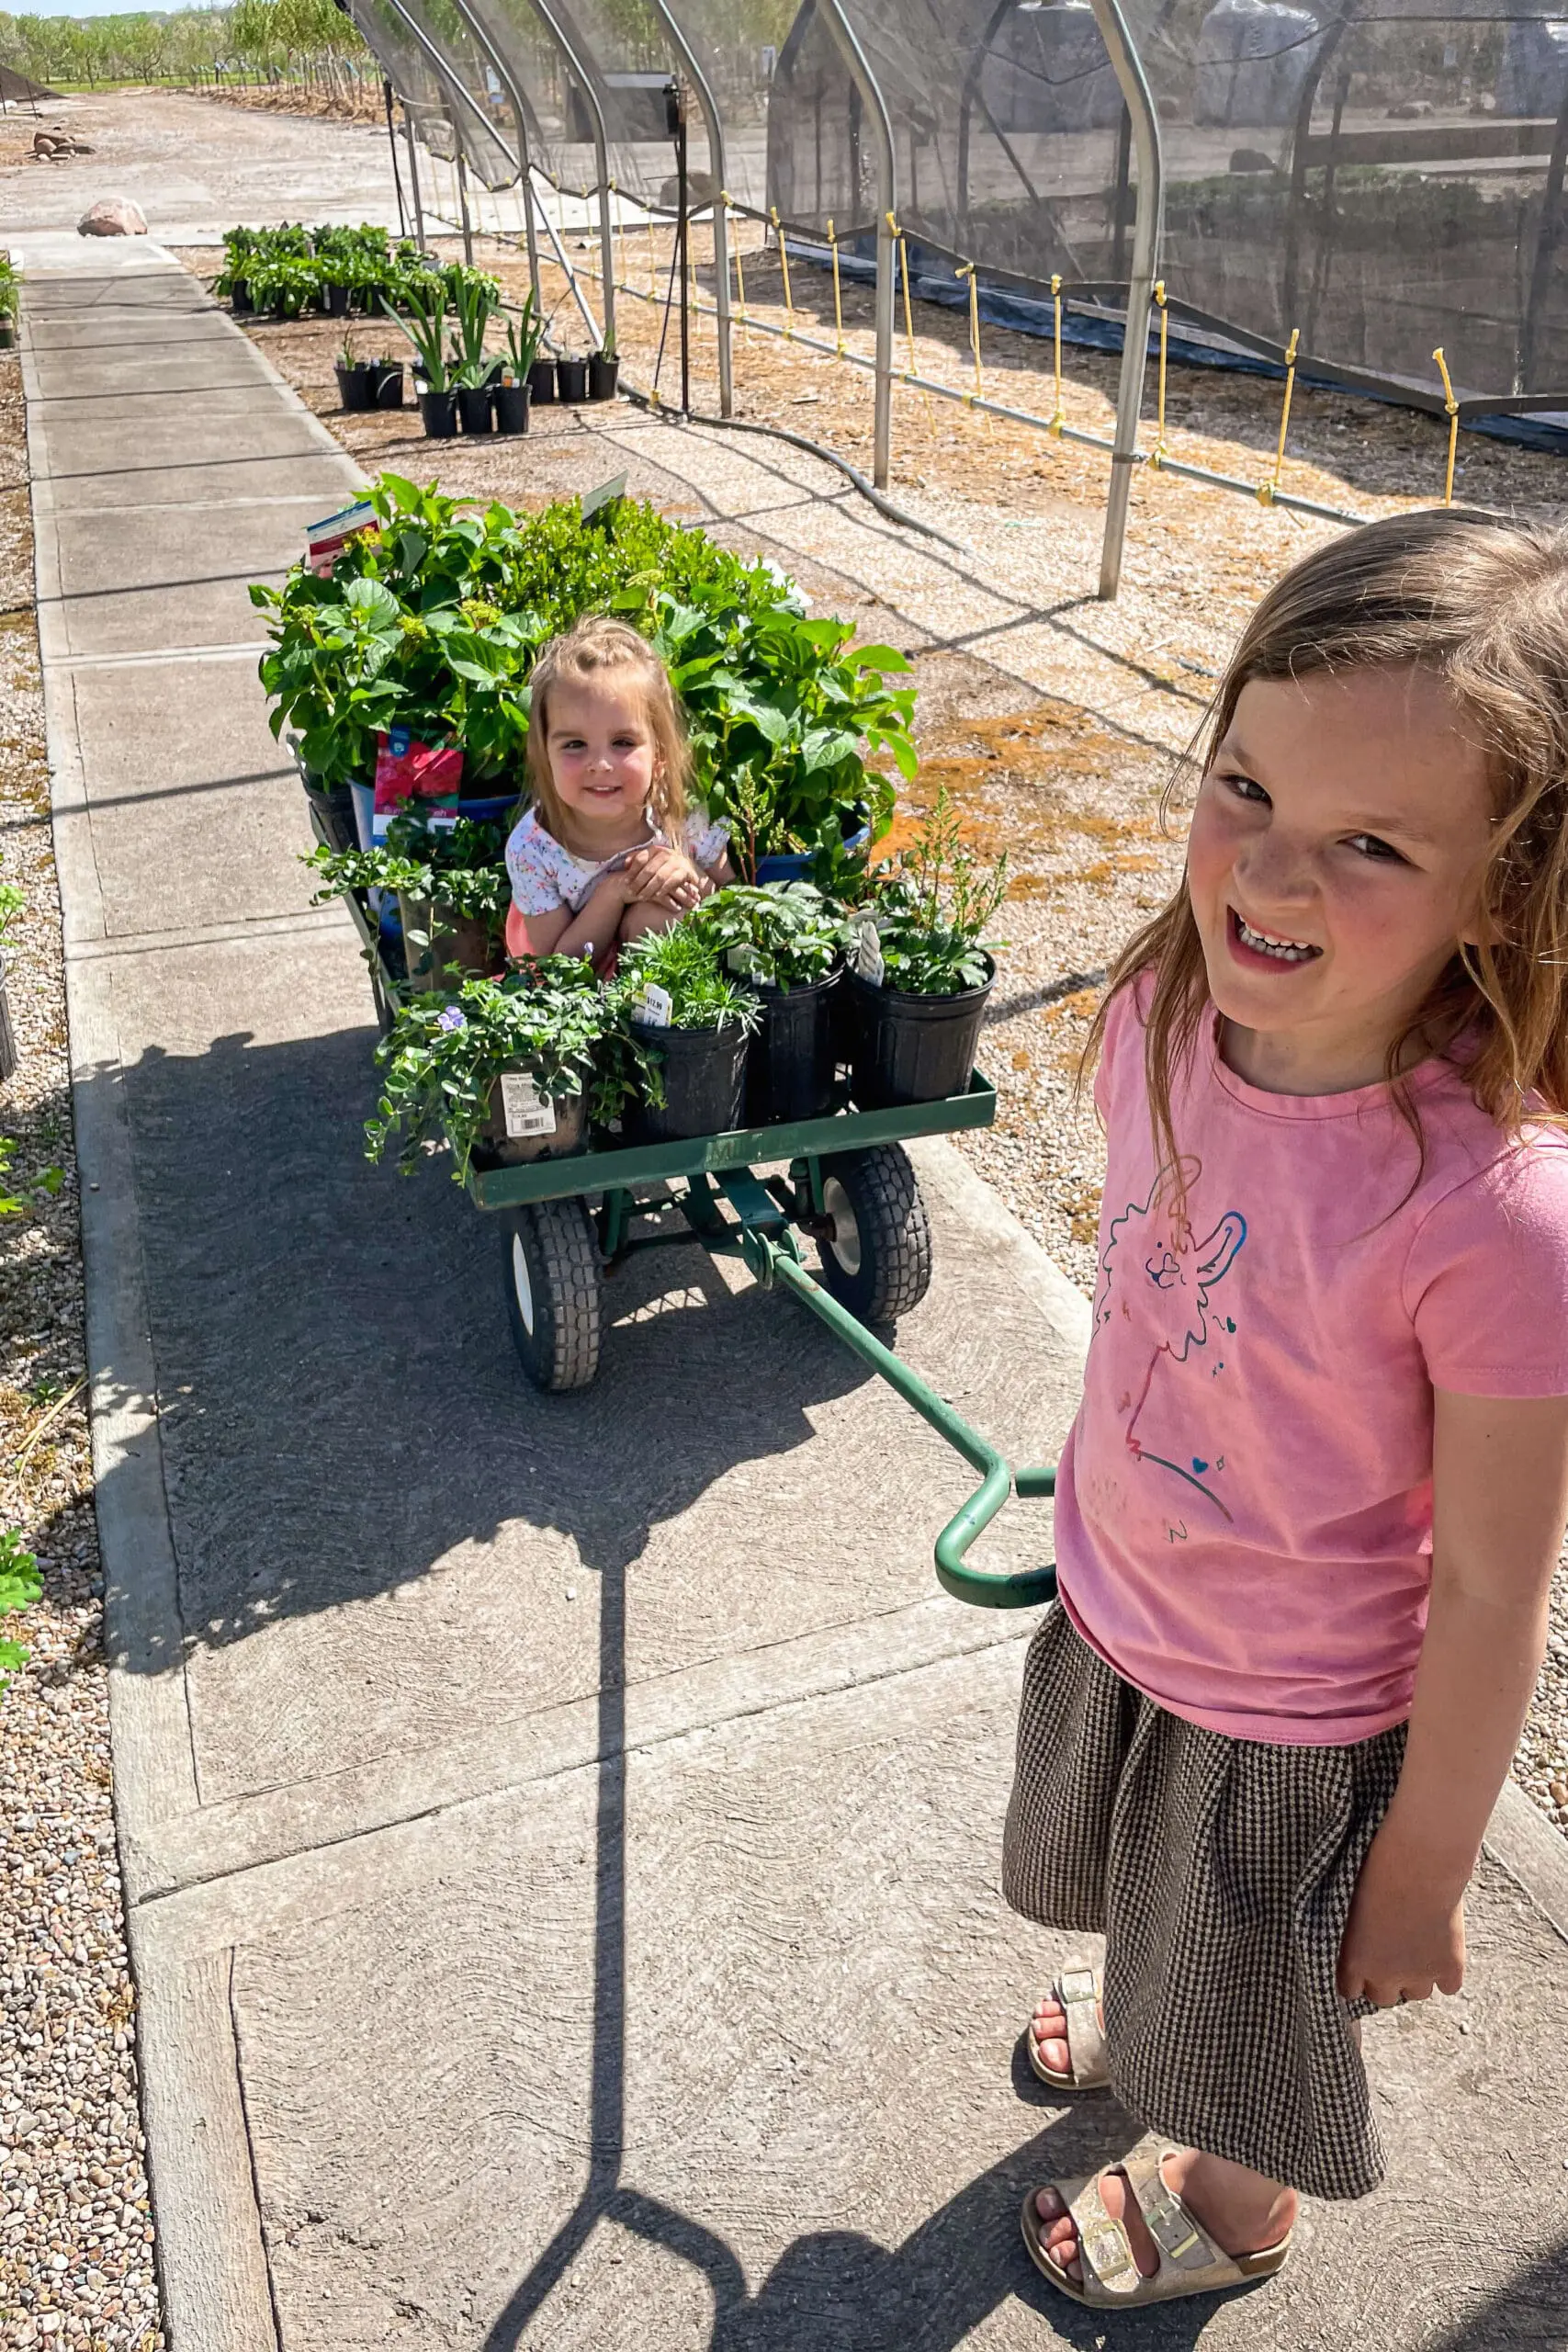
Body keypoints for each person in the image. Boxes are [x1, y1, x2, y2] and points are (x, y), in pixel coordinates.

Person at [1007, 510, 1568, 2310]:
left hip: (1293, 1716)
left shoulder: (1494, 1210)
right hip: (1122, 1606)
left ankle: (1232, 2200)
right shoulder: (1160, 1009)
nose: (1265, 872)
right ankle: (1154, 2004)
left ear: (1502, 880)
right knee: (1141, 1887)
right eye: (1242, 785)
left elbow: (1489, 1590)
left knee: (1255, 1998)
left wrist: (1417, 1865)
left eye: (1370, 841)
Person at [503, 613, 732, 969]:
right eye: (575, 744)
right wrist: (613, 893)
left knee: (657, 917)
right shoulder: (534, 849)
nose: (600, 764)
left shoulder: (679, 816)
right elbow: (558, 970)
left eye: (623, 742)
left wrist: (690, 873)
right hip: (575, 990)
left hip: (669, 982)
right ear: (544, 753)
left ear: (659, 753)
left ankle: (660, 1021)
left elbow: (737, 909)